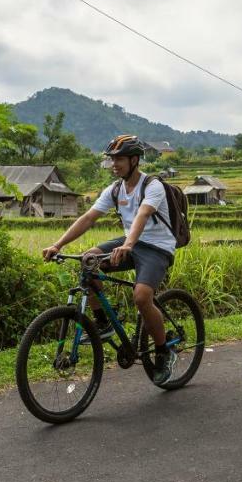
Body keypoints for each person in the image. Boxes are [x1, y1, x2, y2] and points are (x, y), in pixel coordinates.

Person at [42, 134, 178, 384]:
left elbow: (143, 215)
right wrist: (57, 244)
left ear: (134, 160)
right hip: (130, 243)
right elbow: (88, 218)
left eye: (120, 159)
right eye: (112, 159)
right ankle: (103, 322)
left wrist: (128, 244)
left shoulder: (153, 186)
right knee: (88, 260)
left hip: (157, 247)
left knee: (141, 297)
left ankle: (163, 351)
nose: (114, 164)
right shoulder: (114, 189)